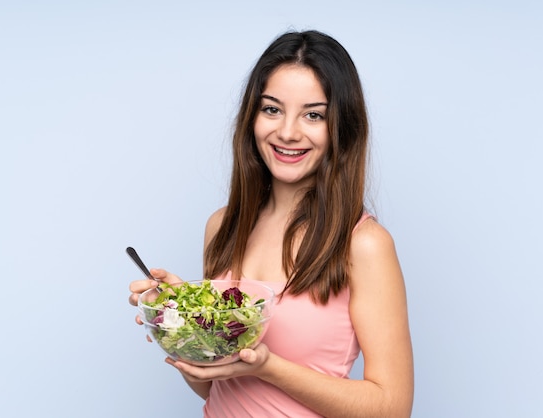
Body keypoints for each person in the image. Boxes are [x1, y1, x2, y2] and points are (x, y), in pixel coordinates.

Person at [128, 29, 414, 417]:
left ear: (340, 129)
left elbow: (392, 408)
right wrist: (185, 322)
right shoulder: (223, 226)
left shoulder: (362, 243)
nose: (287, 132)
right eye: (272, 109)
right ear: (252, 117)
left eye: (313, 115)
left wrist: (268, 366)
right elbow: (214, 386)